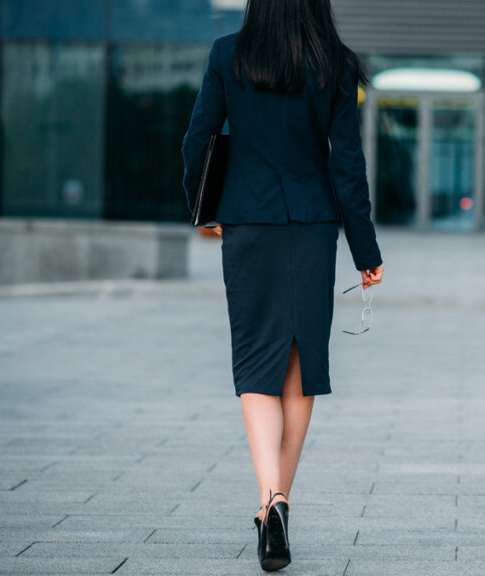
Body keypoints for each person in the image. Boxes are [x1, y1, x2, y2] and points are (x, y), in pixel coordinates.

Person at [180, 0, 383, 570]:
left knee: (254, 362)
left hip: (248, 222)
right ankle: (279, 503)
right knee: (299, 365)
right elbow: (348, 165)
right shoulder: (335, 64)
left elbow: (196, 141)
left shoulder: (228, 54)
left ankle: (269, 498)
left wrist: (208, 209)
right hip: (313, 226)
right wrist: (365, 250)